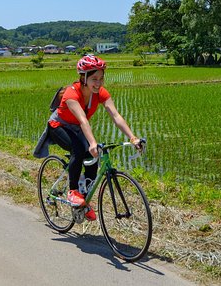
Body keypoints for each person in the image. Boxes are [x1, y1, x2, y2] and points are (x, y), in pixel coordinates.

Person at [35, 54, 143, 221]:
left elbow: (115, 115)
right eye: (94, 78)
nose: (98, 83)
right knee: (79, 149)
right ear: (83, 77)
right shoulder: (71, 94)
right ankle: (72, 192)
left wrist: (132, 137)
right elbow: (83, 120)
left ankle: (83, 202)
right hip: (59, 126)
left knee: (94, 158)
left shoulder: (100, 93)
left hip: (77, 128)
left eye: (101, 78)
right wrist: (92, 142)